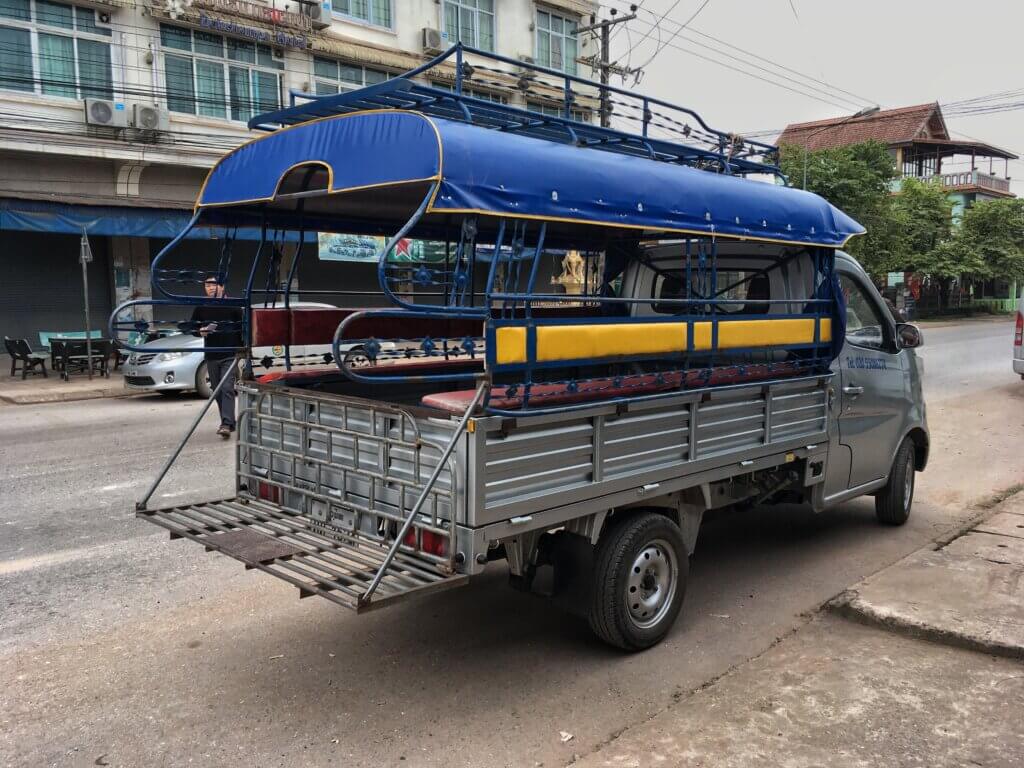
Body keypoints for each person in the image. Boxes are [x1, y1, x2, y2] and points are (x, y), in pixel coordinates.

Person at [192, 277, 244, 438]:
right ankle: (229, 421)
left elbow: (243, 329)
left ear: (222, 287)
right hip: (212, 355)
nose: (211, 288)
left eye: (214, 284)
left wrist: (241, 350)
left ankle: (226, 424)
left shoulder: (234, 306)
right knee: (217, 390)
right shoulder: (201, 307)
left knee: (227, 387)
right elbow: (192, 327)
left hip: (229, 354)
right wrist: (200, 331)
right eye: (207, 285)